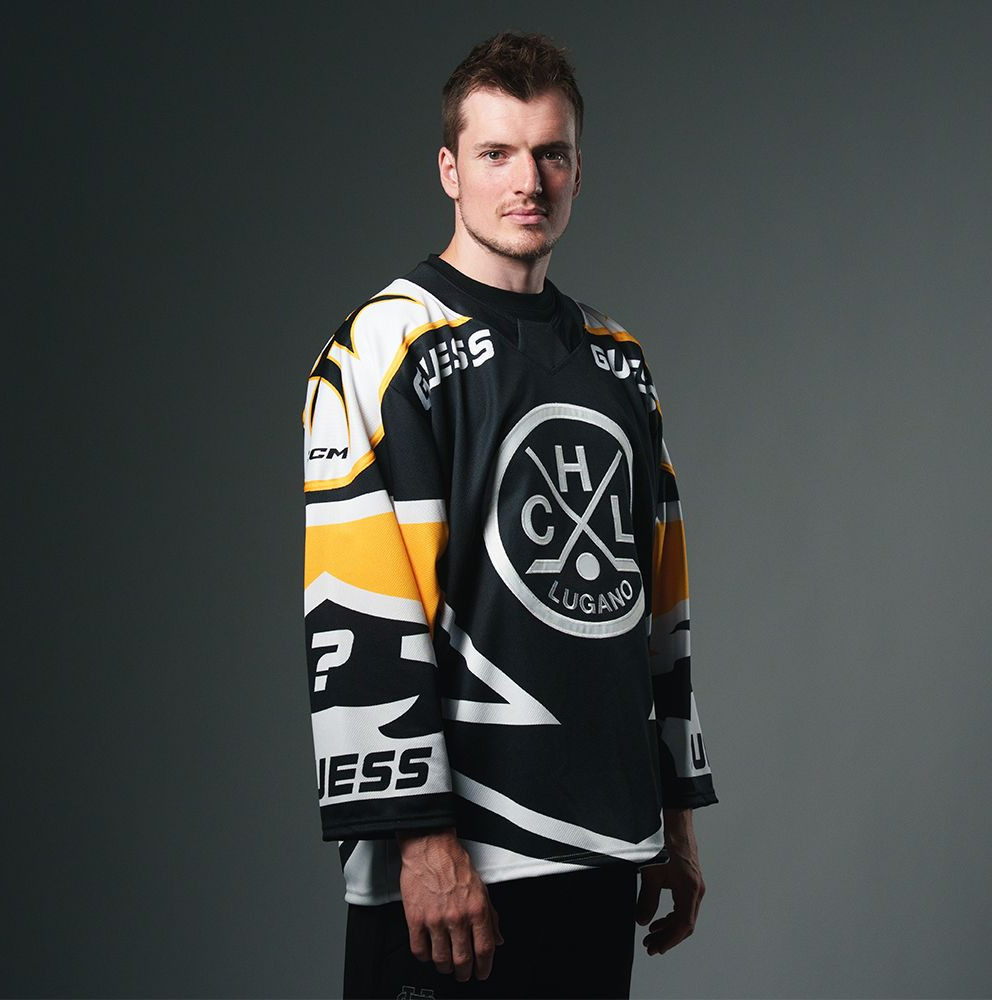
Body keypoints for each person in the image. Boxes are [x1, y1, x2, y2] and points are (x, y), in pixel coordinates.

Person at [302, 31, 718, 999]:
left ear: (577, 169)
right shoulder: (381, 347)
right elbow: (357, 607)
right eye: (496, 153)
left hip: (601, 846)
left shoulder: (618, 361)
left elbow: (656, 603)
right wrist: (422, 841)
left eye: (550, 154)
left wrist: (674, 816)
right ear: (450, 169)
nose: (527, 181)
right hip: (456, 872)